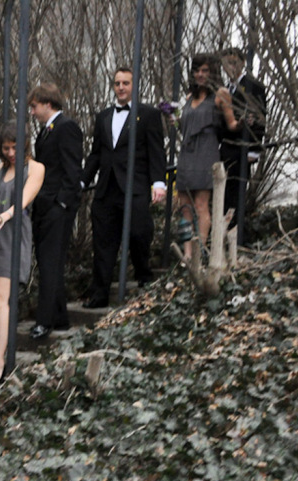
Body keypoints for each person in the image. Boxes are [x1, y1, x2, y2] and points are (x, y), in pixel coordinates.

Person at [81, 66, 167, 308]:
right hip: (107, 188)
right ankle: (99, 294)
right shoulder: (103, 116)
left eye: (125, 83)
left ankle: (144, 275)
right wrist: (82, 180)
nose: (121, 87)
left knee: (140, 233)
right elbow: (96, 153)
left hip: (135, 186)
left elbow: (156, 150)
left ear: (134, 85)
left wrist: (158, 182)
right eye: (117, 83)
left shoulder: (148, 114)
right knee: (103, 242)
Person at [0, 123, 44, 390]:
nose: (11, 152)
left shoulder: (35, 168)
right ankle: (4, 337)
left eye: (15, 147)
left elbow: (24, 199)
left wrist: (4, 216)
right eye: (6, 148)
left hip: (14, 234)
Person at [28, 83, 83, 340]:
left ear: (48, 104)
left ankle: (45, 320)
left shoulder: (66, 127)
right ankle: (60, 317)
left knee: (50, 262)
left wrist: (62, 203)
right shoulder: (45, 132)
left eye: (34, 106)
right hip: (44, 206)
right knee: (49, 261)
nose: (32, 112)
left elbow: (73, 170)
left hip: (56, 207)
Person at [176, 53, 239, 259]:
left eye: (204, 70)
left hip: (207, 151)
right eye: (197, 71)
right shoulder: (188, 98)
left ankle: (200, 250)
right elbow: (183, 127)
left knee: (202, 205)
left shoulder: (221, 94)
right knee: (184, 205)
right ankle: (187, 252)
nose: (200, 75)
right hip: (186, 152)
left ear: (212, 72)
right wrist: (174, 121)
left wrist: (248, 121)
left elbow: (231, 124)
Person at [219, 47, 267, 244]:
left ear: (241, 62)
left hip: (244, 147)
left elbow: (260, 118)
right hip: (227, 149)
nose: (230, 67)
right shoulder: (225, 89)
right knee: (226, 193)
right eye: (226, 64)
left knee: (238, 192)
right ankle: (229, 232)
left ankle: (240, 236)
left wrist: (255, 149)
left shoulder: (253, 86)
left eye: (233, 62)